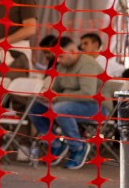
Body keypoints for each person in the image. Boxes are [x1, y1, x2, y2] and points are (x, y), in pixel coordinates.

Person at [27, 35, 103, 170]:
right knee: (34, 107)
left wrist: (58, 97)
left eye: (61, 56)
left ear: (73, 52)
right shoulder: (62, 65)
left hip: (96, 106)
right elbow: (55, 89)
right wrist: (46, 95)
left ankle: (78, 146)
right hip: (68, 103)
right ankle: (55, 143)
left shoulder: (88, 64)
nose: (58, 60)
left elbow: (88, 94)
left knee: (60, 108)